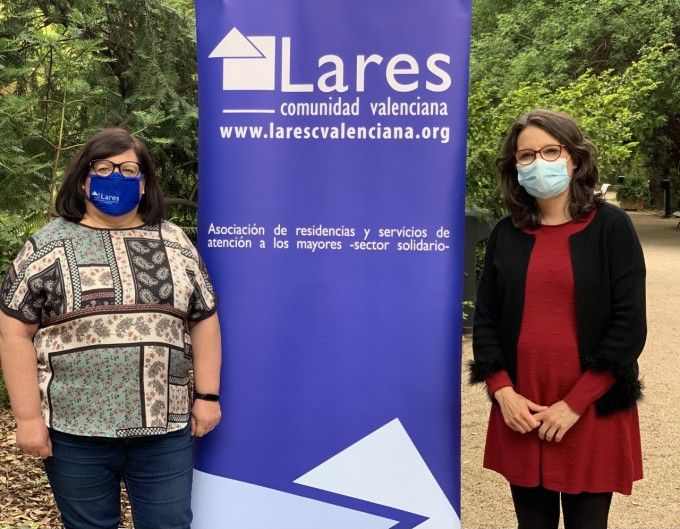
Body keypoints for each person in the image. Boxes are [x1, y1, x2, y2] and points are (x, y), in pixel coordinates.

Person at [0, 128, 222, 529]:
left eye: (129, 169)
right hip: (74, 430)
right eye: (103, 168)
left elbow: (203, 317)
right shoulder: (47, 245)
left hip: (163, 428)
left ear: (144, 183)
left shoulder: (175, 242)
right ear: (83, 179)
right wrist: (28, 418)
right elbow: (14, 331)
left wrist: (207, 395)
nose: (115, 177)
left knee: (169, 523)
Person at [469, 109, 645, 529]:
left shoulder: (611, 227)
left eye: (551, 151)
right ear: (514, 166)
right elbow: (487, 318)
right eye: (526, 155)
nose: (538, 162)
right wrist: (502, 392)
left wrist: (573, 405)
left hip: (591, 406)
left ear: (575, 158)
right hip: (523, 407)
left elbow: (629, 326)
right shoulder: (506, 233)